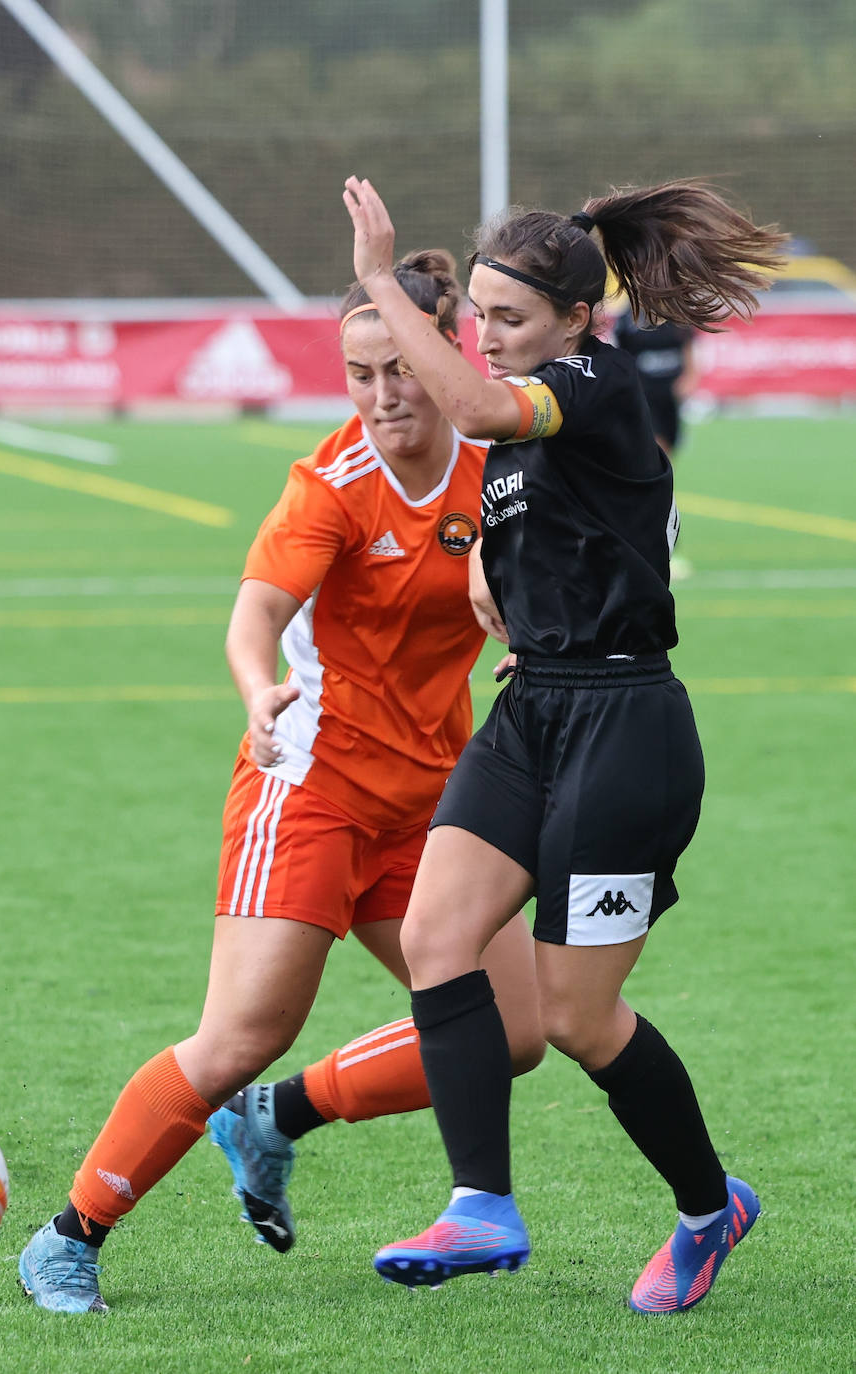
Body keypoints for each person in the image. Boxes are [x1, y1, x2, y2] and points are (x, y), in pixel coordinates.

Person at [17, 249, 545, 1314]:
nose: (383, 394)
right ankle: (70, 1234)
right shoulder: (330, 486)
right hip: (309, 787)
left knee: (512, 1030)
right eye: (359, 374)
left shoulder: (497, 466)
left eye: (399, 366)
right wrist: (257, 691)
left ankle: (277, 1118)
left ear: (447, 350)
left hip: (439, 797)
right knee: (240, 1033)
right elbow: (254, 613)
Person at [341, 175, 785, 1313]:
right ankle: (480, 1207)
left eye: (507, 321)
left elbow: (487, 415)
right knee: (437, 935)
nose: (486, 339)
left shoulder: (588, 382)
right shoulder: (535, 406)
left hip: (624, 730)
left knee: (577, 1019)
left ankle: (705, 1208)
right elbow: (526, 536)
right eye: (478, 317)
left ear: (577, 320)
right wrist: (504, 600)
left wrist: (380, 287)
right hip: (531, 710)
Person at [611, 304, 699, 579]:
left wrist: (689, 378)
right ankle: (665, 551)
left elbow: (688, 351)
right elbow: (617, 357)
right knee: (660, 472)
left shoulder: (678, 314)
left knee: (662, 474)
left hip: (670, 404)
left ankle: (645, 544)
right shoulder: (627, 318)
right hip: (644, 403)